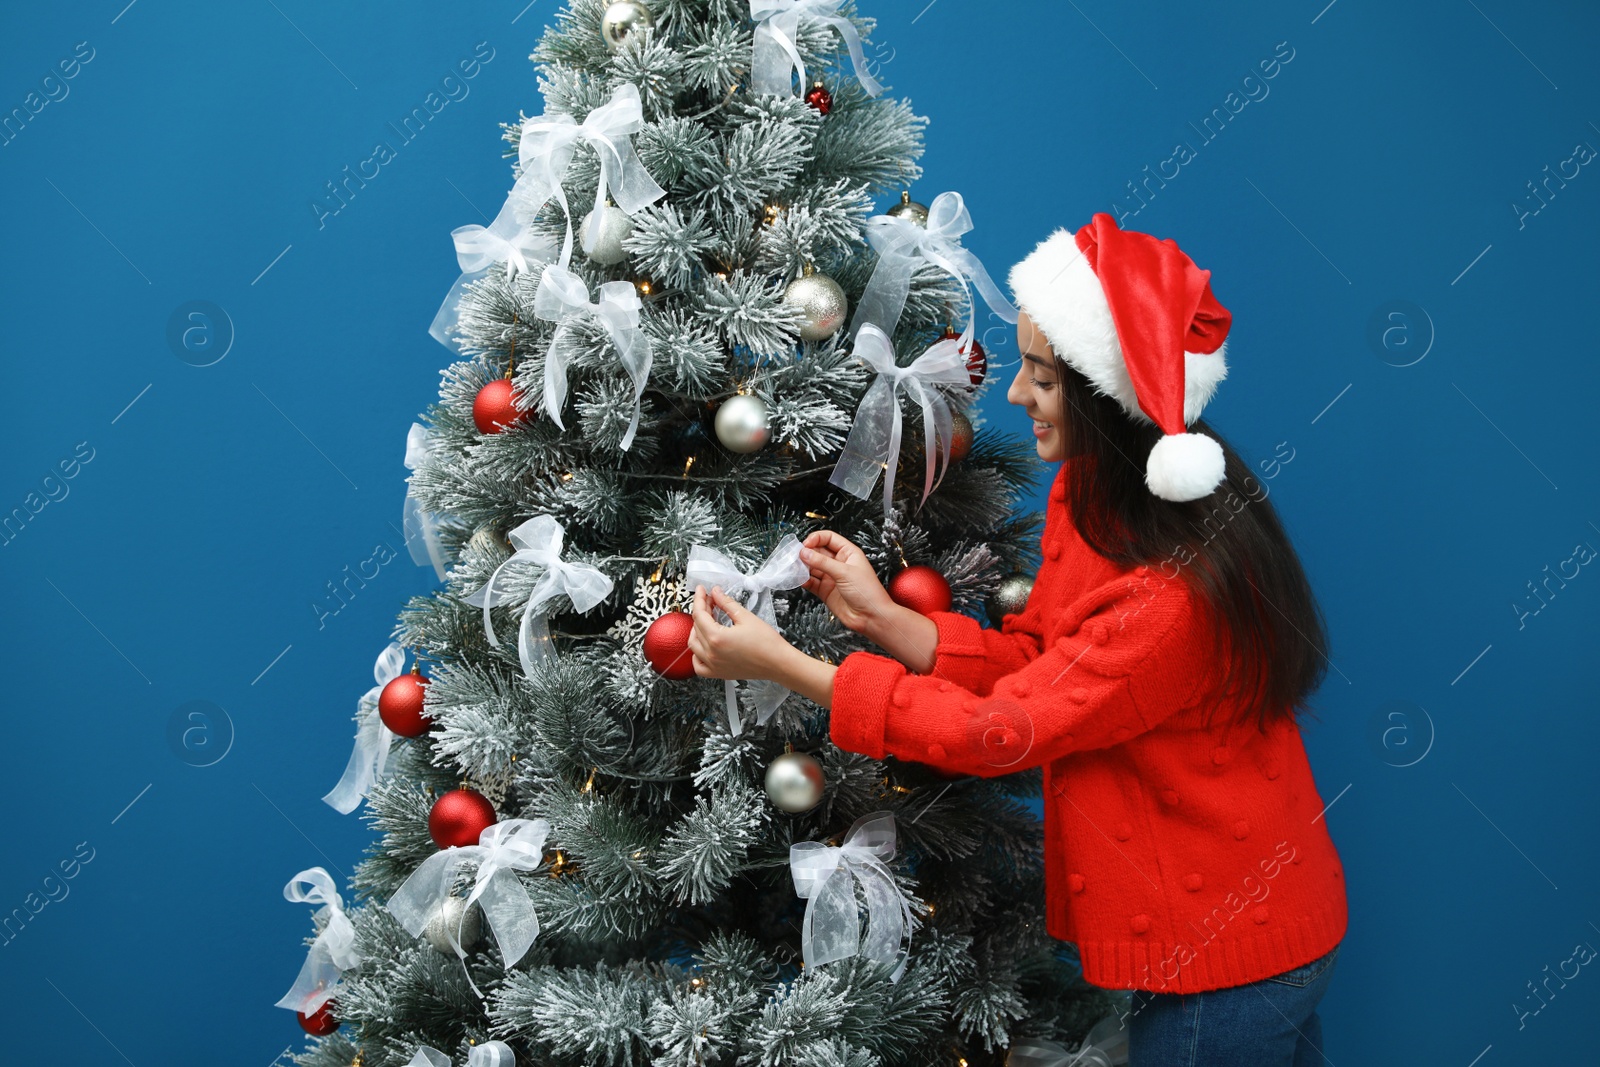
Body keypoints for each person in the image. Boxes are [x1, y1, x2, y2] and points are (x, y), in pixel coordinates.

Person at [685, 212, 1348, 1066]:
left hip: (1223, 969)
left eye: (1040, 375)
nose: (1014, 395)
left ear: (1105, 398)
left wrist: (786, 667)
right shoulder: (1095, 496)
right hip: (1249, 942)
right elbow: (1046, 665)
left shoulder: (1168, 598)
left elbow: (1001, 731)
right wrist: (887, 617)